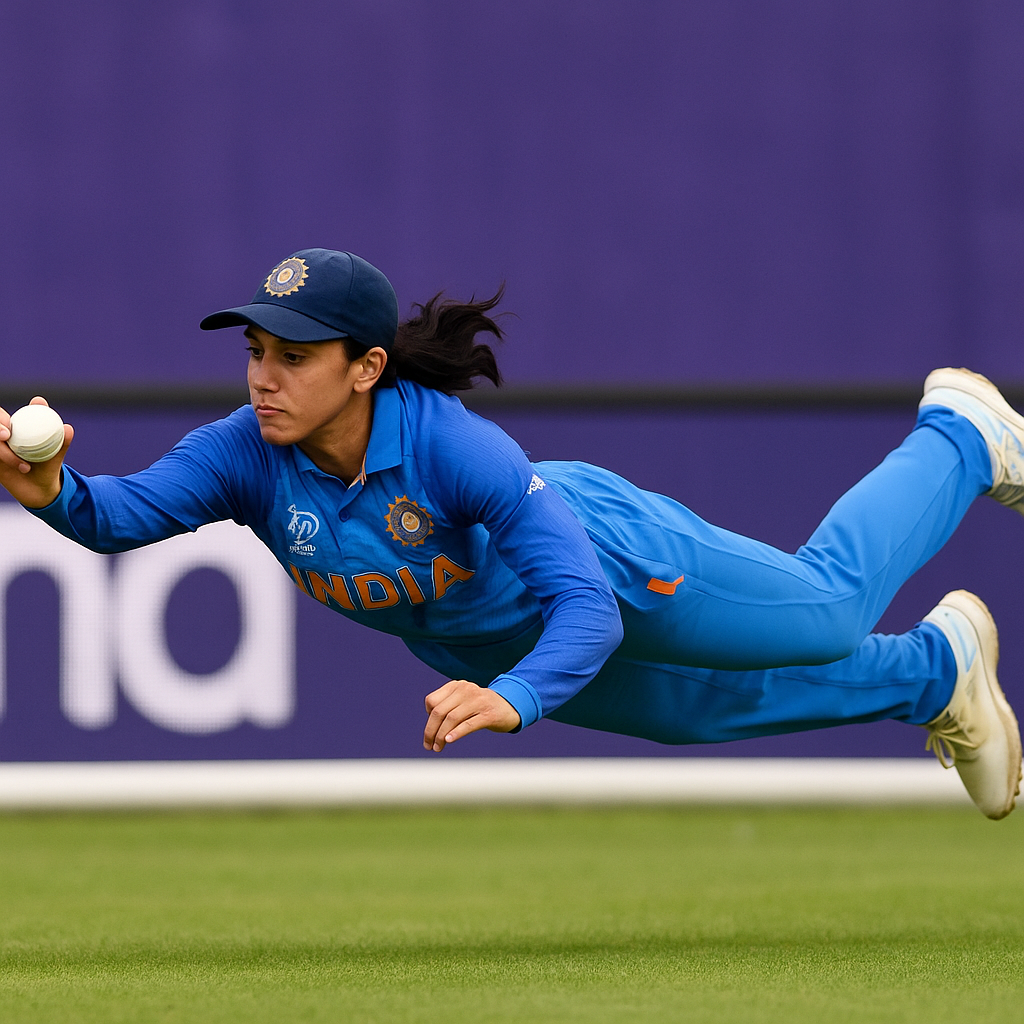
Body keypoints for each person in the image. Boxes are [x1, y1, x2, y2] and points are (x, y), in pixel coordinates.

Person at [1, 248, 1021, 819]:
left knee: (827, 609)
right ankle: (935, 671)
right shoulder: (244, 449)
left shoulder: (456, 450)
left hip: (605, 558)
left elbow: (583, 604)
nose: (265, 377)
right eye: (257, 351)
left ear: (364, 368)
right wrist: (51, 491)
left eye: (295, 357)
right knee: (693, 718)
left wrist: (515, 695)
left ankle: (959, 436)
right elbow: (118, 515)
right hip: (488, 639)